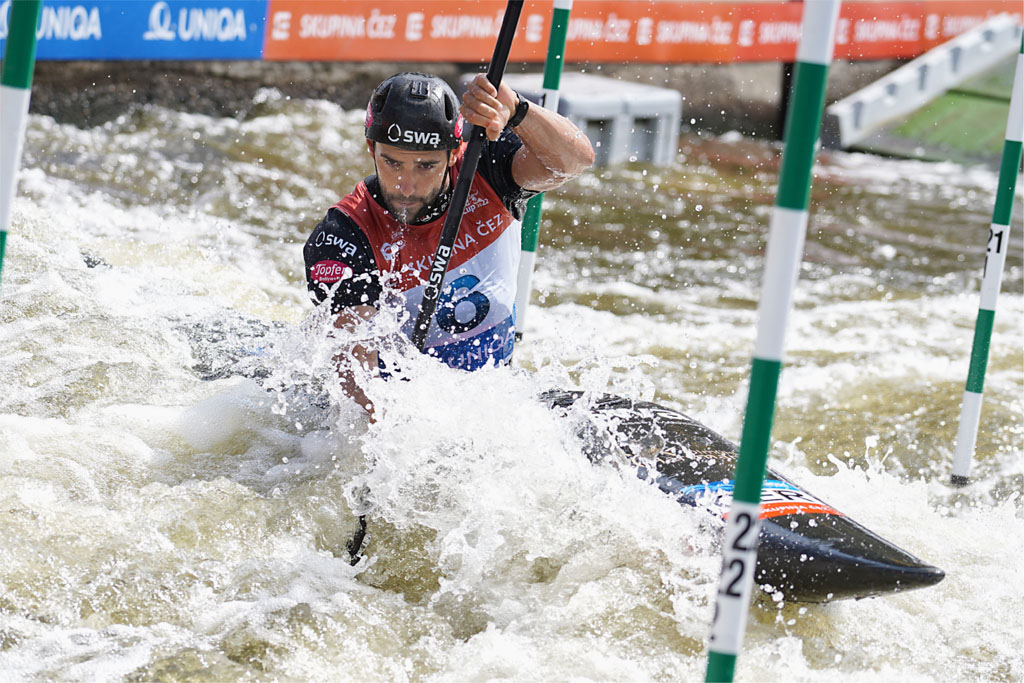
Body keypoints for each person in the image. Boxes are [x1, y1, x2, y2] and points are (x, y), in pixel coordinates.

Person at [303, 72, 594, 420]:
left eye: (426, 165)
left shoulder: (487, 171)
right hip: (397, 415)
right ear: (371, 149)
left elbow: (575, 162)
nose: (406, 186)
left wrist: (516, 110)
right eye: (392, 162)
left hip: (492, 397)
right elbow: (353, 377)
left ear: (454, 153)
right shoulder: (344, 234)